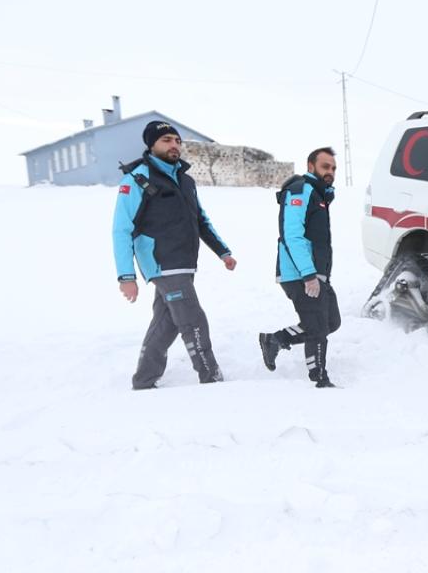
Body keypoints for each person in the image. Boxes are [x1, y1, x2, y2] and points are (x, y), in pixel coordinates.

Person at [113, 120, 237, 390]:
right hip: (162, 262)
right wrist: (126, 276)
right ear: (152, 145)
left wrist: (223, 252)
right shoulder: (137, 179)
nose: (174, 145)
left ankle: (144, 380)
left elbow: (200, 220)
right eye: (167, 140)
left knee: (166, 323)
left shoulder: (185, 179)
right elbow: (121, 229)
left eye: (177, 140)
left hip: (184, 263)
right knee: (193, 319)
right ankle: (211, 377)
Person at [259, 147, 342, 388]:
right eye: (325, 166)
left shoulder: (319, 195)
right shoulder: (301, 190)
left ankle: (275, 339)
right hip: (300, 273)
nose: (331, 172)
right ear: (310, 166)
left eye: (334, 168)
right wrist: (308, 275)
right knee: (317, 327)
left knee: (331, 323)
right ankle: (319, 380)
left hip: (317, 273)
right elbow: (291, 235)